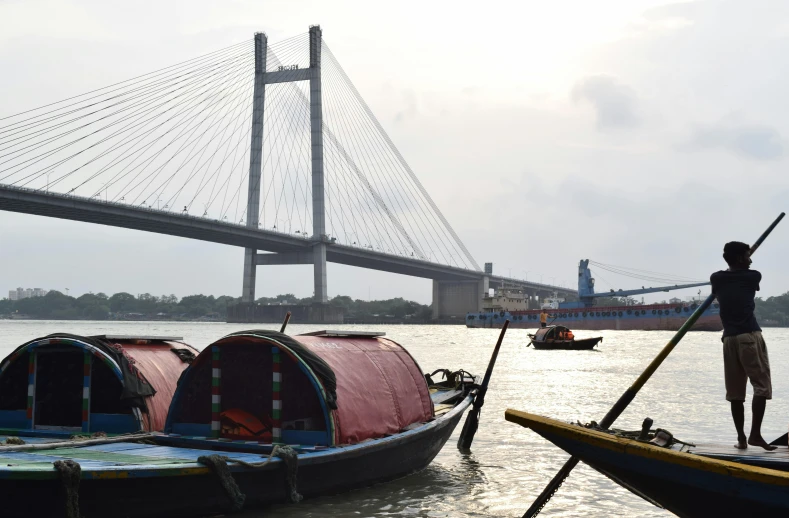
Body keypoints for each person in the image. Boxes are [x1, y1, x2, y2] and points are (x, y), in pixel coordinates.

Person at [711, 241, 775, 450]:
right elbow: (747, 278)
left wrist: (736, 264)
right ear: (739, 258)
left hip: (728, 339)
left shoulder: (717, 278)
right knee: (761, 386)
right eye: (748, 256)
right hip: (748, 336)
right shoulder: (752, 276)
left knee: (735, 392)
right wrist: (742, 266)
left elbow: (725, 282)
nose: (751, 260)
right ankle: (755, 435)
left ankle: (741, 439)